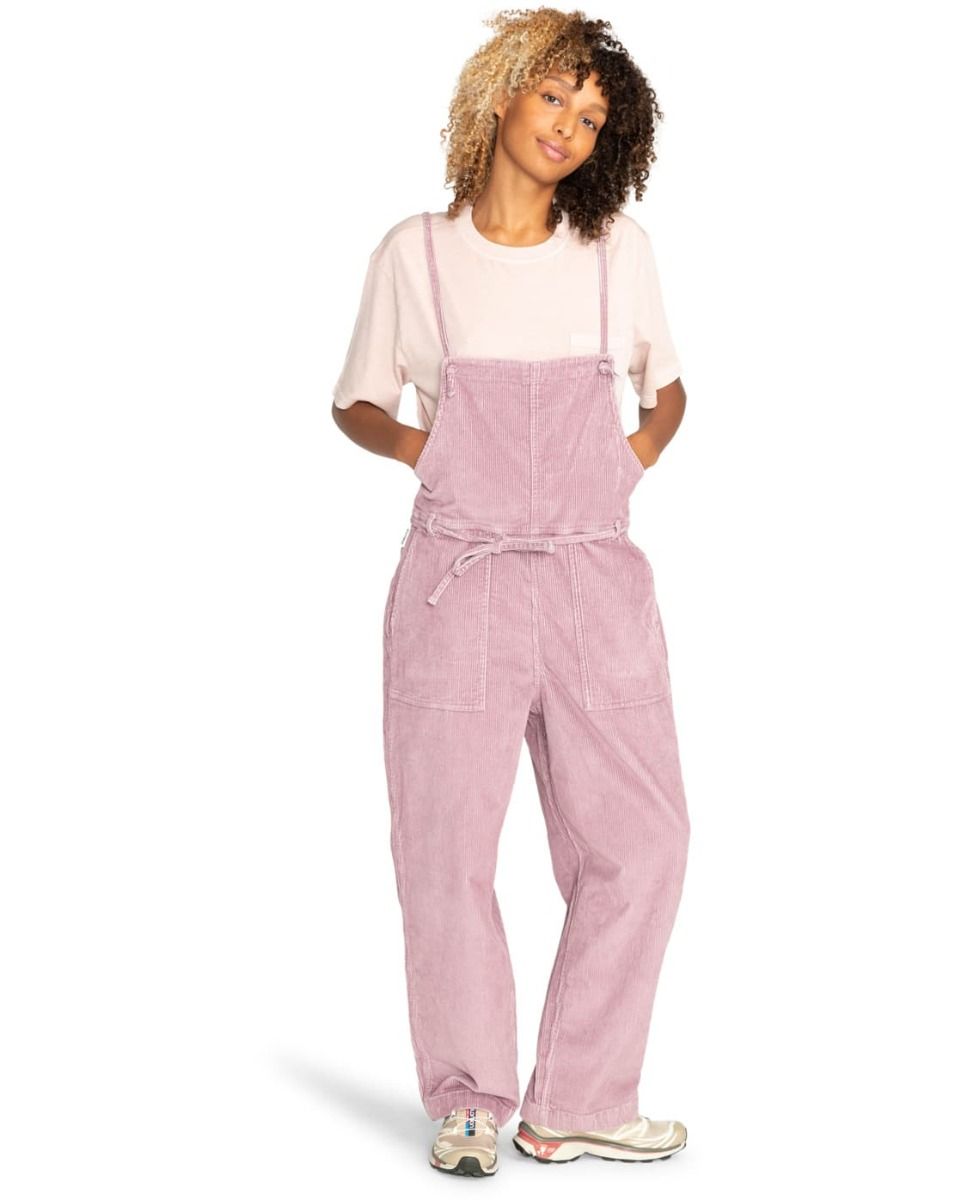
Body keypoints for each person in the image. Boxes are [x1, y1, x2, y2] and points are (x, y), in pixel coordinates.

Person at [331, 7, 691, 1176]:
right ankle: (470, 1101)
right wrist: (426, 449)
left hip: (595, 580)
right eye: (555, 96)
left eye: (592, 116)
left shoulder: (617, 251)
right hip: (460, 583)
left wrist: (629, 461)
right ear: (501, 92)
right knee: (445, 850)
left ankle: (579, 1098)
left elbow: (669, 390)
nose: (571, 127)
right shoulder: (417, 255)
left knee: (646, 843)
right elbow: (354, 399)